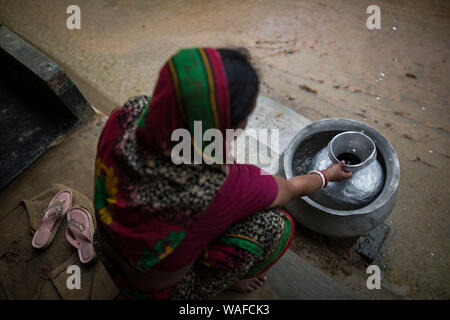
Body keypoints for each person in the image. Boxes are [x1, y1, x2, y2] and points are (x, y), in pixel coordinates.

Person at [93, 47, 352, 299]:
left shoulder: (128, 113)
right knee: (276, 225)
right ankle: (231, 281)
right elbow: (291, 189)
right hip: (160, 293)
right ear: (238, 125)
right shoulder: (223, 185)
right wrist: (326, 175)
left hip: (107, 249)